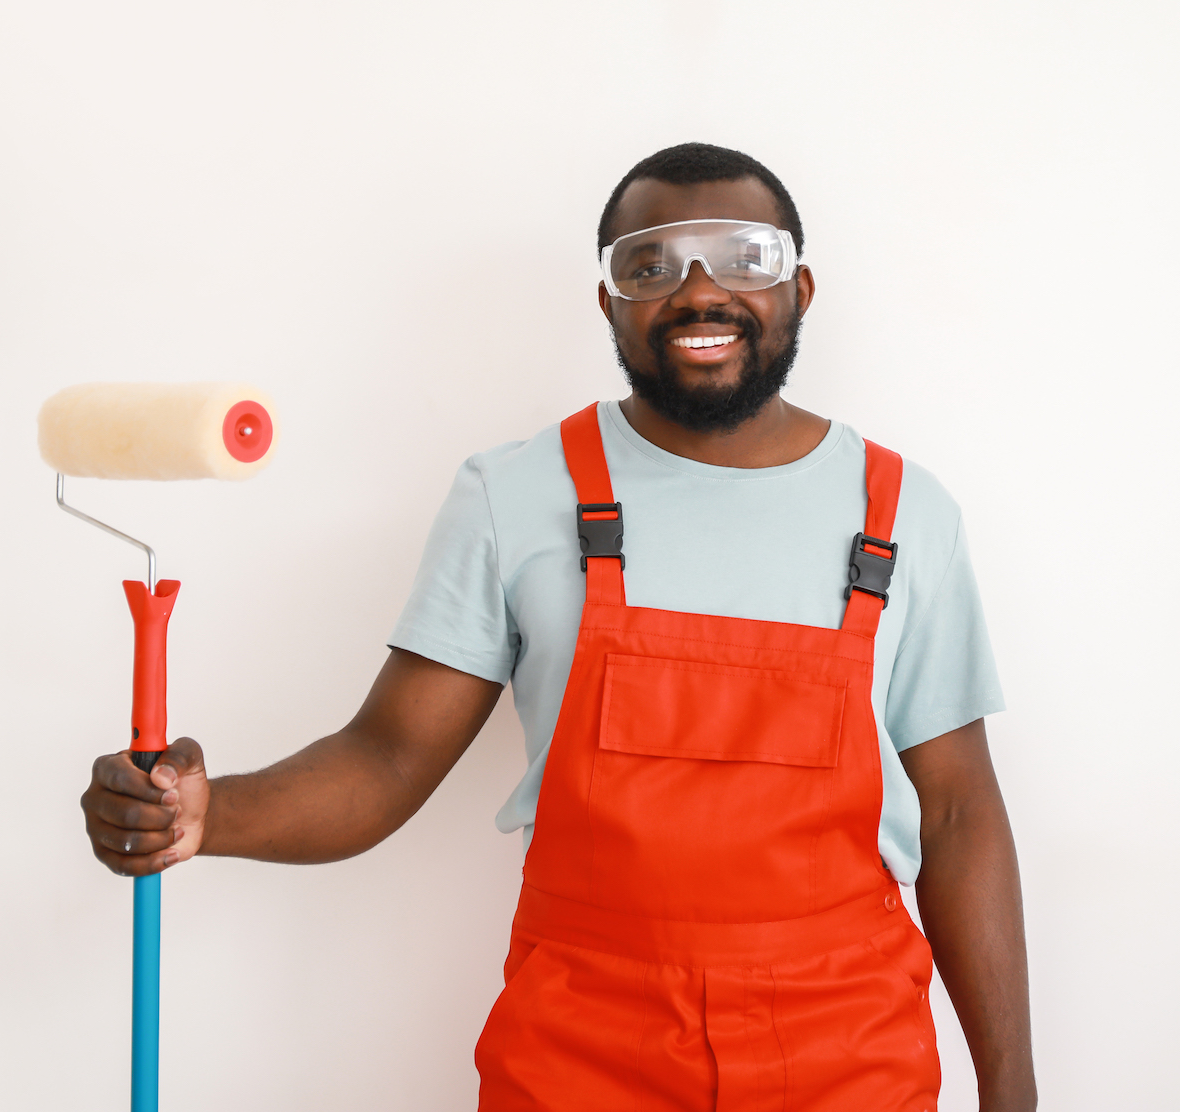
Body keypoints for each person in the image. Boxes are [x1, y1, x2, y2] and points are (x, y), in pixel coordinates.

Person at [79, 143, 1035, 1111]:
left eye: (744, 257)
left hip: (846, 1052)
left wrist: (1012, 1087)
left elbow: (959, 813)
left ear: (801, 285)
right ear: (608, 300)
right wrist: (205, 814)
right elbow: (385, 758)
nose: (699, 289)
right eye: (650, 264)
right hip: (584, 1054)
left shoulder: (904, 511)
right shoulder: (518, 493)